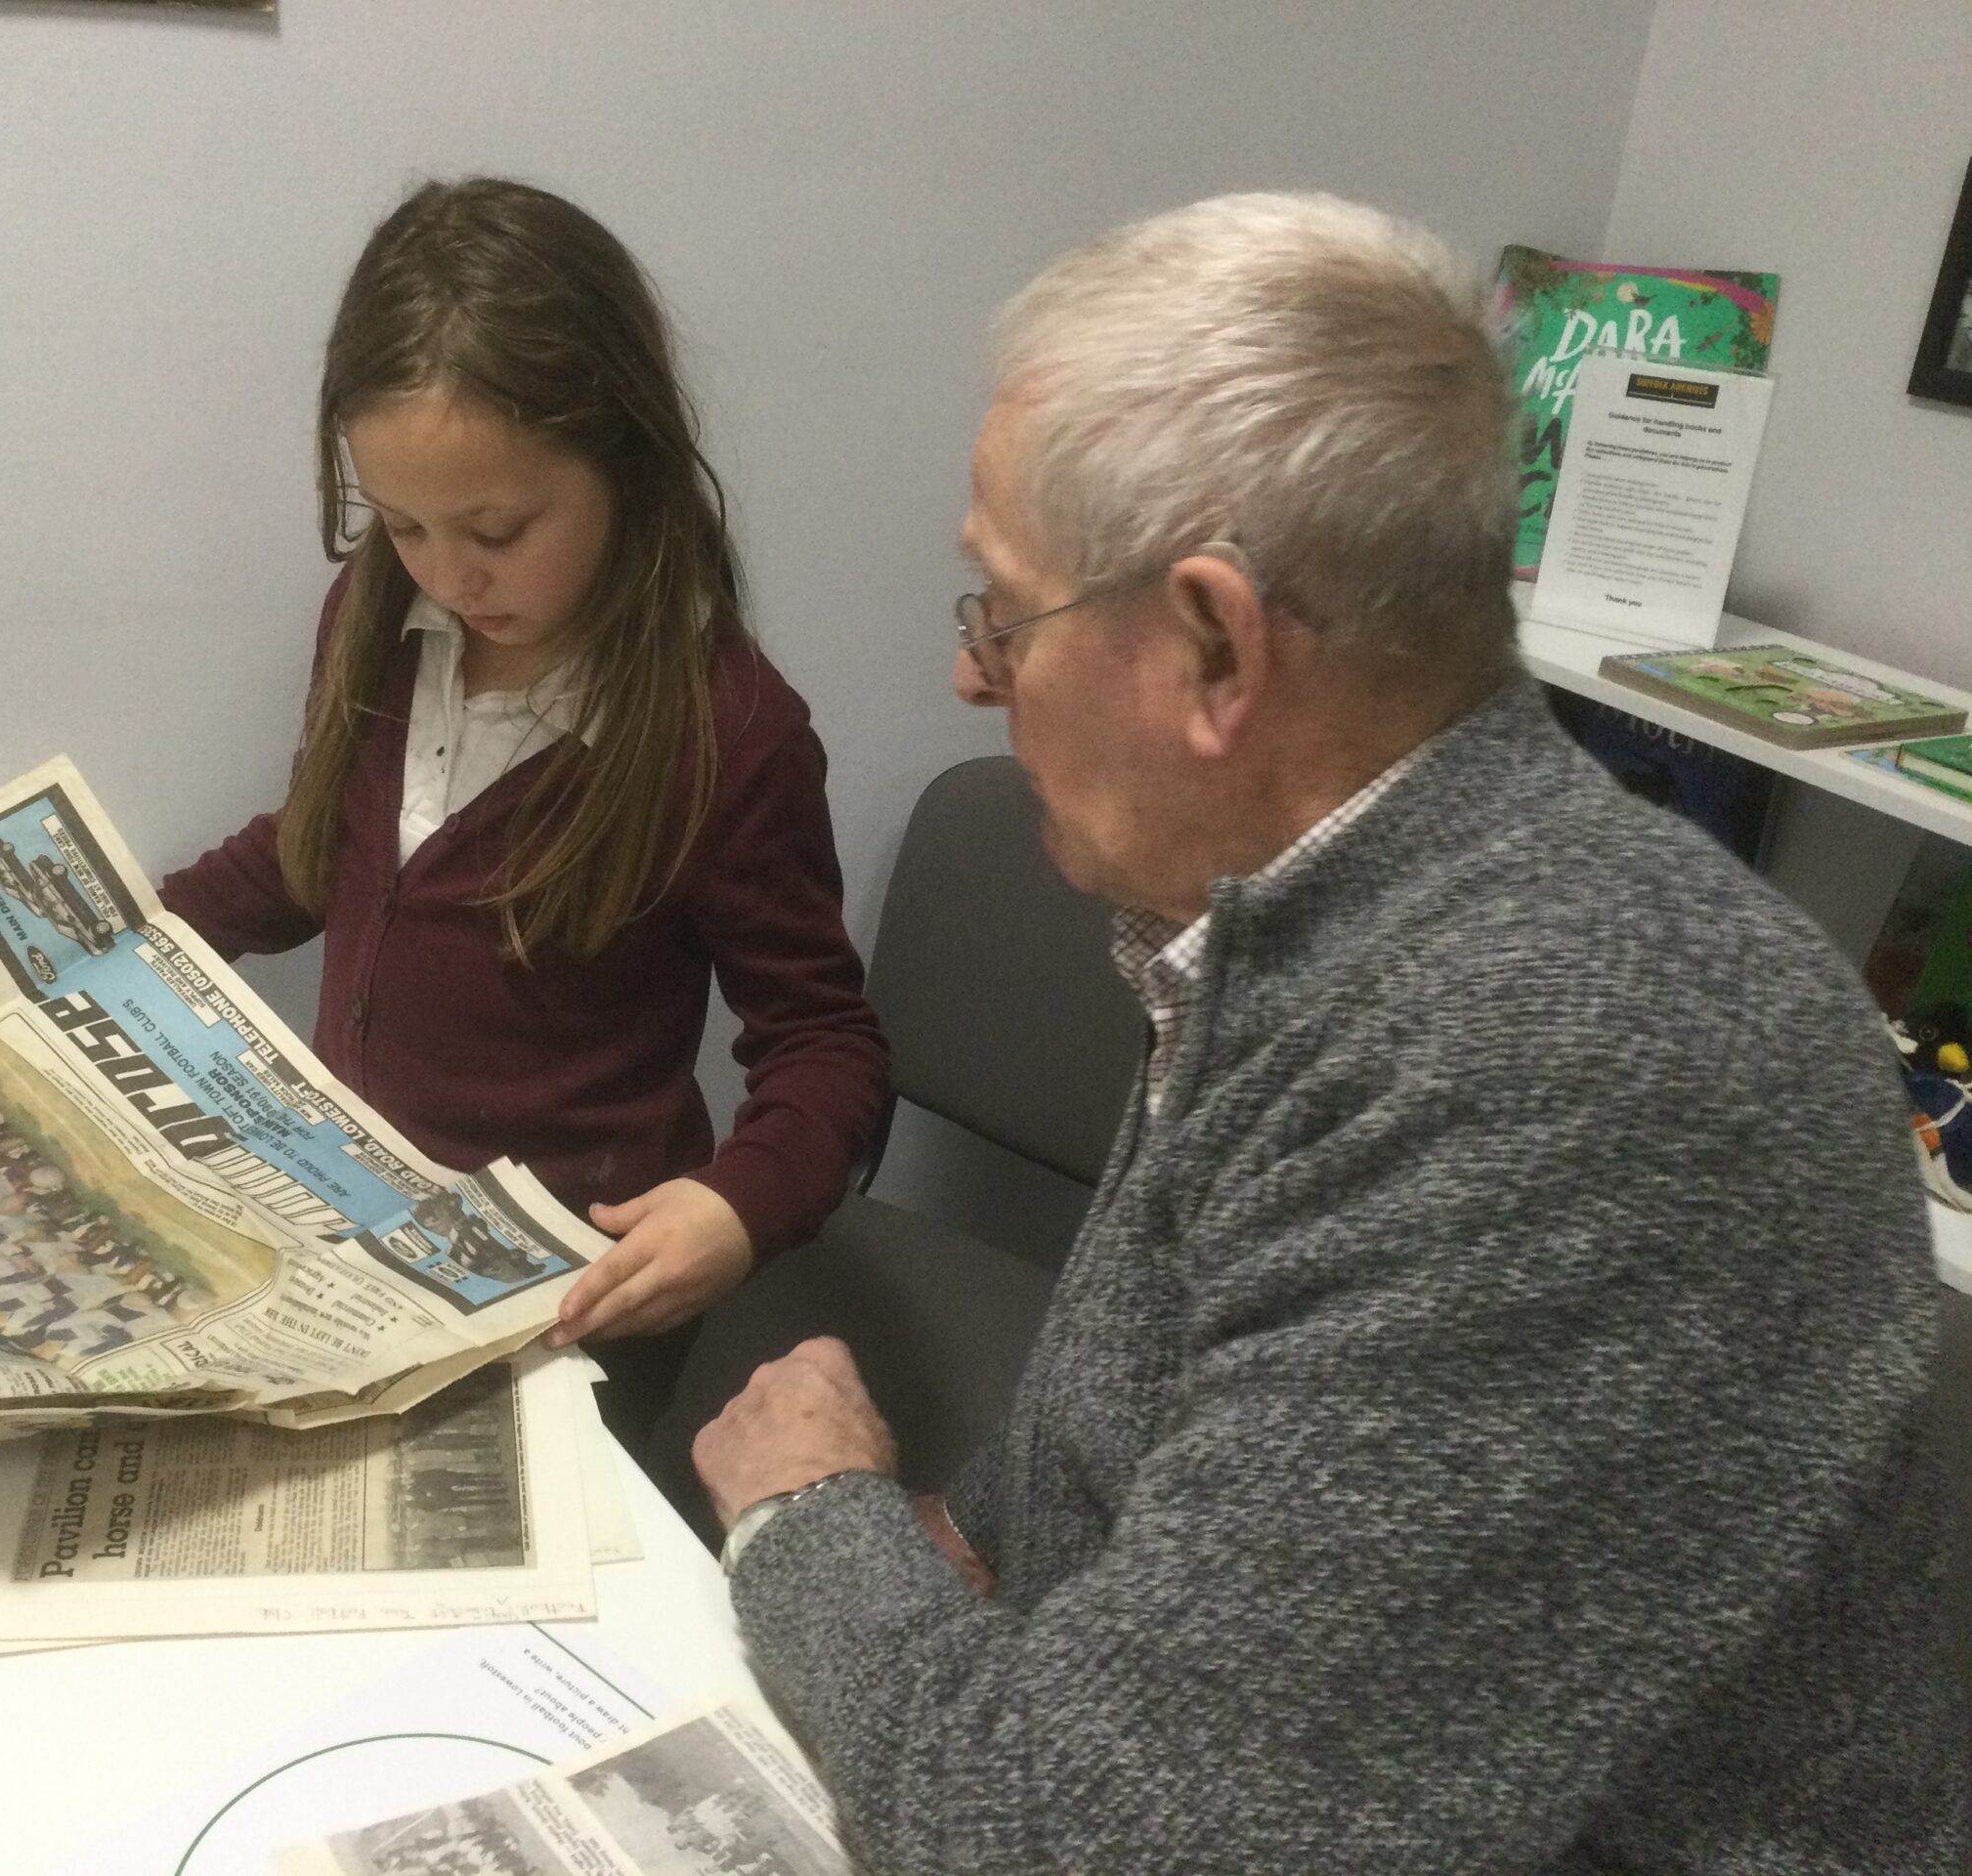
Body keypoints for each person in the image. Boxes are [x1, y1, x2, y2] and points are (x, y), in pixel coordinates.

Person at [693, 192, 1970, 1870]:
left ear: (1215, 644)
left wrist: (812, 1519)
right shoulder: (1326, 907)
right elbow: (1139, 1401)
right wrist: (961, 1547)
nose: (975, 674)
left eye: (1004, 611)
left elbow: (1067, 1844)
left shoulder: (1568, 1060)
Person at [161, 178, 888, 1447]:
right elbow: (320, 849)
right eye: (401, 525)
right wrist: (132, 933)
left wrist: (737, 1207)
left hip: (567, 1302)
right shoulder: (379, 619)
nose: (448, 571)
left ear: (623, 460)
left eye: (496, 527)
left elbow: (829, 1044)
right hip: (362, 1247)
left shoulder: (729, 735)